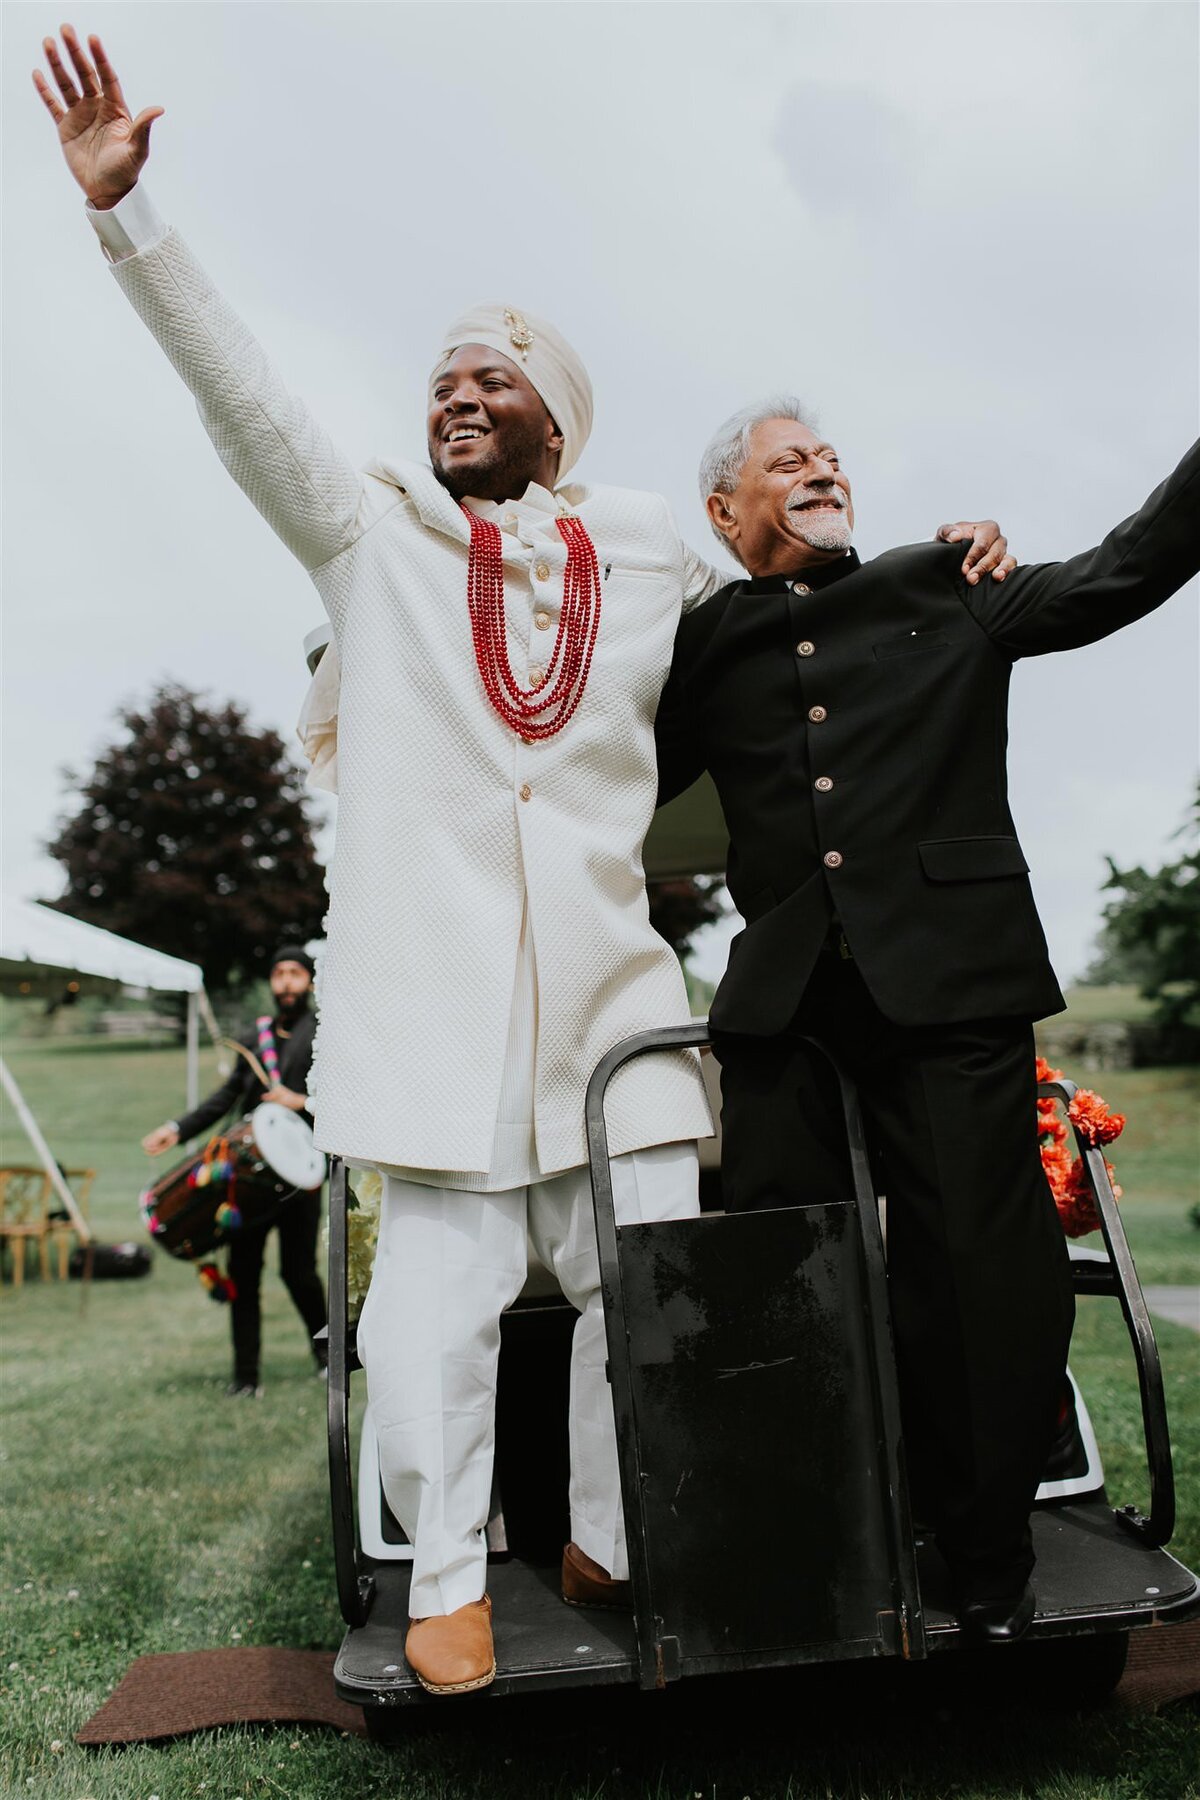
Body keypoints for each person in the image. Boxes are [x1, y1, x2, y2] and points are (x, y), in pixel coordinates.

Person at [34, 26, 1012, 1694]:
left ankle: (615, 1539)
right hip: (434, 1022)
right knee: (432, 1334)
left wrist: (934, 559)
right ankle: (442, 1579)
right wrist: (132, 221)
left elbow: (789, 612)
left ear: (552, 417)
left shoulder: (646, 556)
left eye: (490, 380)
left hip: (615, 1023)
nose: (454, 397)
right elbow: (245, 402)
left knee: (654, 1289)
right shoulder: (374, 546)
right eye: (437, 383)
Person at [654, 397, 1200, 1644]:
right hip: (788, 1003)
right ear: (724, 513)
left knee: (979, 1273)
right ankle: (812, 1536)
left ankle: (985, 1546)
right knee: (774, 1275)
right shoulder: (698, 646)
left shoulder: (948, 581)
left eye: (829, 456)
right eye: (786, 462)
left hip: (955, 980)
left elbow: (1126, 570)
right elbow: (586, 747)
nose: (820, 469)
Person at [142, 948, 326, 1397]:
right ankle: (246, 1378)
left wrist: (300, 1102)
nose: (285, 982)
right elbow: (225, 1098)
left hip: (300, 1178)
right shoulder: (255, 1035)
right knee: (243, 1273)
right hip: (246, 1181)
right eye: (278, 974)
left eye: (294, 974)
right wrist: (177, 1128)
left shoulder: (325, 1034)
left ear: (310, 982)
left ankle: (327, 1358)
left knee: (299, 1272)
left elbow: (349, 1099)